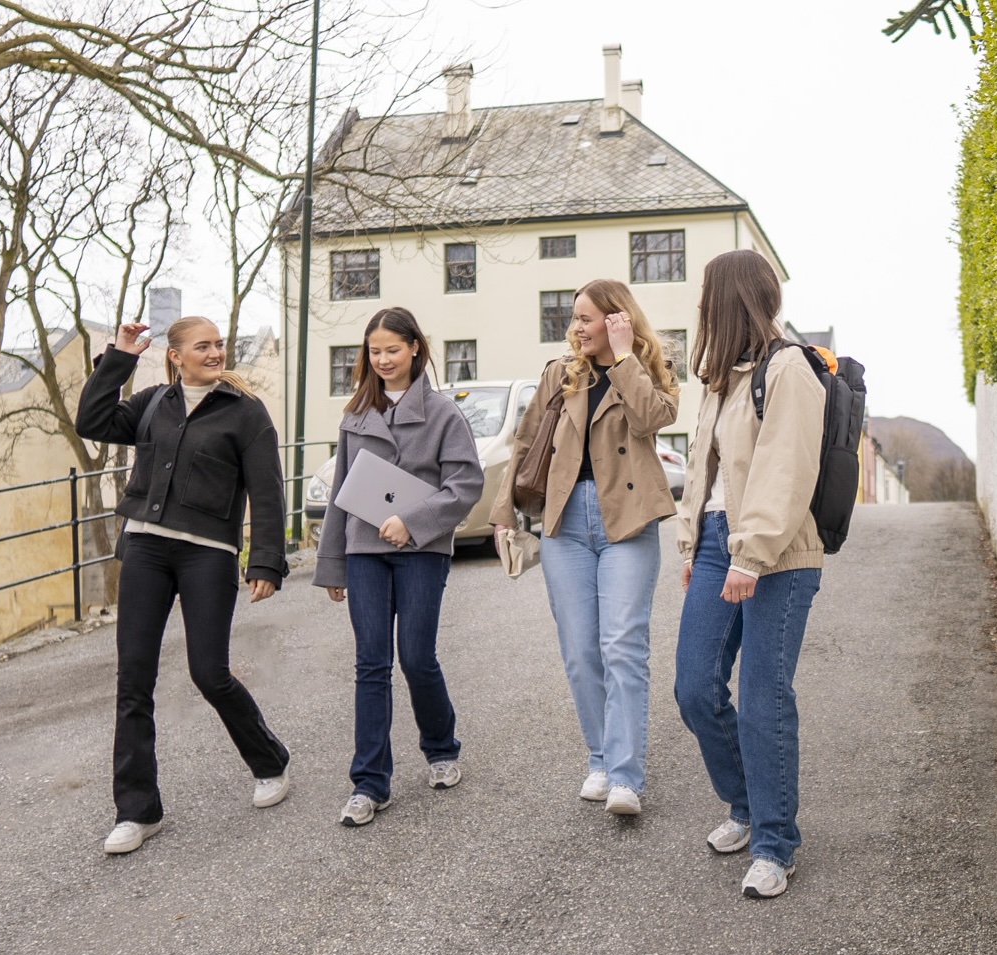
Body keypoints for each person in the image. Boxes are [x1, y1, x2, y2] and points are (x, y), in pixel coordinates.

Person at [75, 316, 294, 856]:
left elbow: (266, 489)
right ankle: (136, 810)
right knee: (134, 681)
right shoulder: (152, 403)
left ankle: (270, 762)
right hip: (146, 547)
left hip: (209, 553)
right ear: (176, 355)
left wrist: (265, 560)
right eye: (203, 346)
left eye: (219, 345)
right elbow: (92, 420)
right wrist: (119, 357)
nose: (215, 352)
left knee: (209, 673)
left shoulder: (244, 413)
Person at [488, 279, 680, 816]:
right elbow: (525, 443)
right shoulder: (558, 373)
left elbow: (652, 418)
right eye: (574, 318)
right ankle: (599, 758)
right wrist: (503, 512)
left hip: (629, 518)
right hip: (564, 519)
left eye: (587, 318)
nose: (576, 327)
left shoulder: (645, 367)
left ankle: (625, 776)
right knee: (580, 652)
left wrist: (623, 357)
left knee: (623, 645)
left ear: (618, 320)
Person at [671, 250, 828, 898]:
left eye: (706, 295)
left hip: (777, 552)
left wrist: (750, 554)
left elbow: (785, 470)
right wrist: (690, 545)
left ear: (730, 299)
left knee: (763, 698)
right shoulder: (717, 382)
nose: (700, 306)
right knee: (693, 687)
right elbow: (700, 473)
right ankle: (743, 802)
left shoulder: (788, 369)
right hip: (716, 543)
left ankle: (773, 840)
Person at [313, 307, 484, 827]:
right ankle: (369, 784)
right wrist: (333, 566)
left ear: (415, 347)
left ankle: (440, 747)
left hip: (421, 551)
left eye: (392, 349)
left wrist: (412, 521)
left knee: (415, 656)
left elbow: (465, 486)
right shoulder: (356, 415)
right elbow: (343, 492)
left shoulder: (443, 414)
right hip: (365, 551)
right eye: (374, 351)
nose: (383, 359)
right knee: (370, 663)